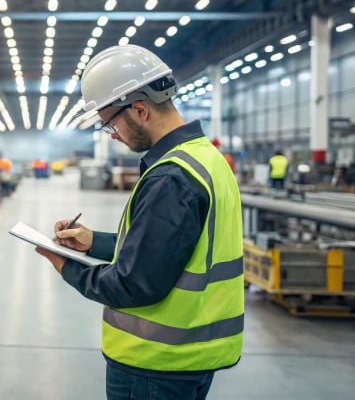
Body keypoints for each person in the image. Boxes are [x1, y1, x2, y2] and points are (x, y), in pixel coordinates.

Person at [35, 45, 244, 400]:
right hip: (191, 357)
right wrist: (93, 242)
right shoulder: (206, 158)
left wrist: (65, 267)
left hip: (155, 364)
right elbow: (169, 250)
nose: (112, 133)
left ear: (140, 110)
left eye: (110, 122)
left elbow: (133, 284)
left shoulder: (171, 178)